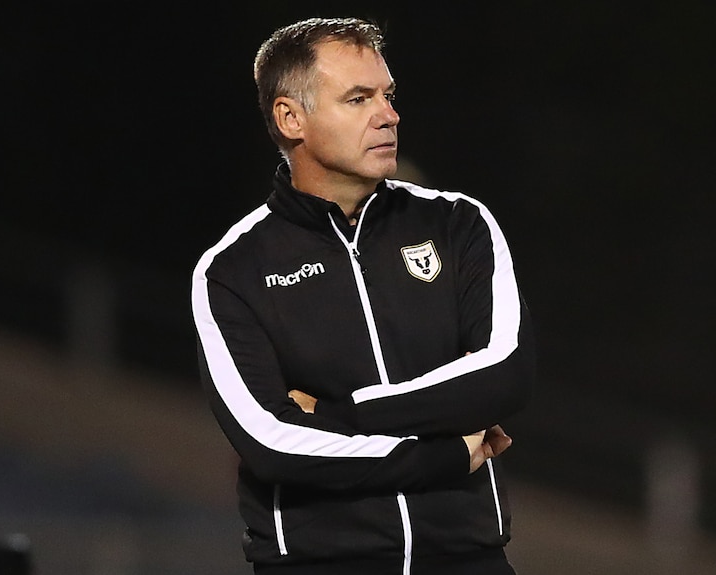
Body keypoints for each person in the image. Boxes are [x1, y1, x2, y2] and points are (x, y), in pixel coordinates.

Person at [191, 16, 535, 575]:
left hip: (468, 559)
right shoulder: (232, 270)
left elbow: (505, 374)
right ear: (290, 118)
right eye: (358, 99)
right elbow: (274, 444)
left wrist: (340, 413)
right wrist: (444, 456)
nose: (389, 114)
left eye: (388, 95)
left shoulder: (458, 224)